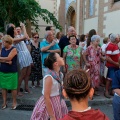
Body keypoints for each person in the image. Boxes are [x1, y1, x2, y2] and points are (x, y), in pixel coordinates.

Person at [31, 53, 68, 120]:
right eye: (59, 57)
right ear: (56, 64)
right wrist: (51, 116)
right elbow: (46, 97)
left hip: (58, 101)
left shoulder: (60, 74)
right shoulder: (49, 77)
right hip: (50, 102)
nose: (62, 58)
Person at [7, 23, 33, 96]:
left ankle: (26, 87)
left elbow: (26, 36)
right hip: (22, 56)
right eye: (14, 29)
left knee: (28, 72)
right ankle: (17, 90)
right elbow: (25, 37)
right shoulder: (13, 39)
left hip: (26, 54)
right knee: (22, 74)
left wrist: (23, 30)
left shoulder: (18, 35)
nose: (16, 30)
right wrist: (24, 27)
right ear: (12, 32)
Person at [0, 35, 18, 109]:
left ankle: (14, 102)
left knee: (13, 88)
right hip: (3, 71)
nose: (2, 43)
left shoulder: (14, 49)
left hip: (12, 71)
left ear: (8, 42)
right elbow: (6, 60)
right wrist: (6, 61)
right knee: (3, 87)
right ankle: (4, 102)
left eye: (3, 42)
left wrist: (4, 60)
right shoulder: (2, 49)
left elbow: (9, 58)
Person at [105, 34, 120, 98]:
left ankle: (112, 91)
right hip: (111, 66)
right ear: (115, 39)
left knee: (114, 78)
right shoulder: (110, 46)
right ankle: (106, 91)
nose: (119, 38)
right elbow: (108, 57)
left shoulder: (115, 45)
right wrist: (115, 63)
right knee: (109, 78)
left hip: (116, 65)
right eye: (118, 38)